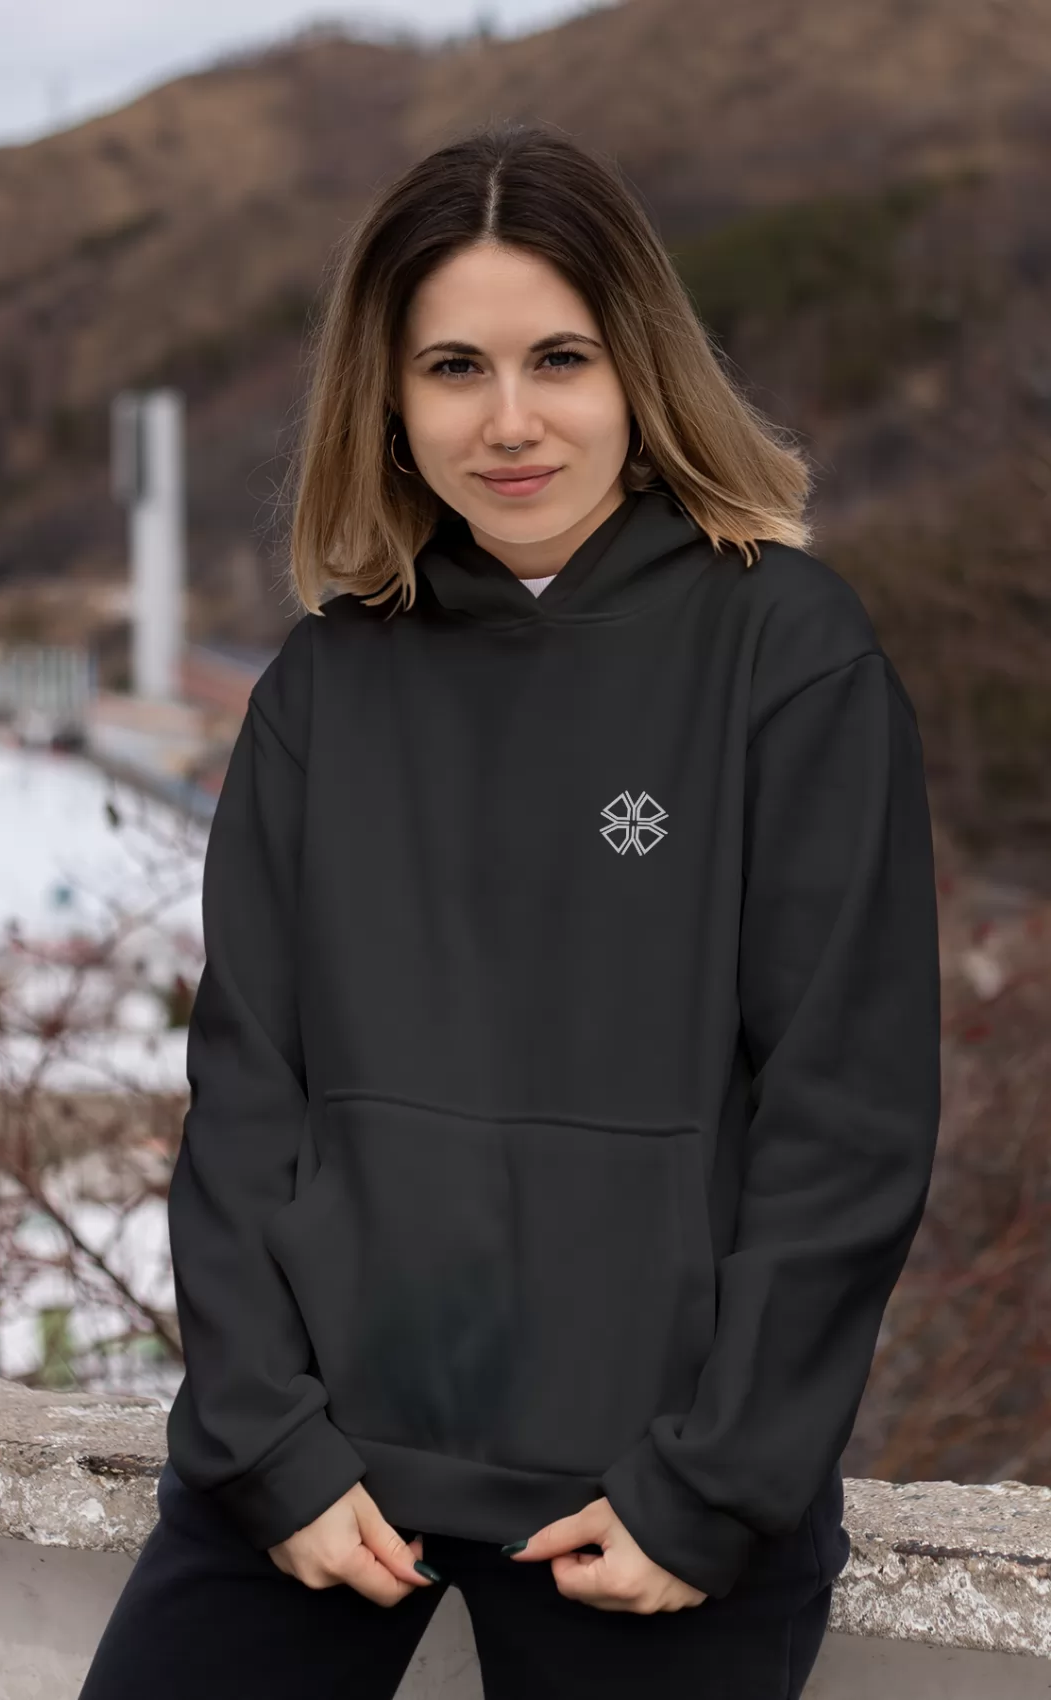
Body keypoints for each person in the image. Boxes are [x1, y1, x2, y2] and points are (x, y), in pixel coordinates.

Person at [78, 120, 941, 1699]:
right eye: (453, 369)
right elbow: (247, 1093)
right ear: (390, 402)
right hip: (324, 1471)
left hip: (647, 1493)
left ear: (640, 370)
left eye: (560, 358)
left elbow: (847, 1114)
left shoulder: (787, 654)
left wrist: (712, 1486)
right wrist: (266, 1443)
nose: (512, 420)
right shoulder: (326, 688)